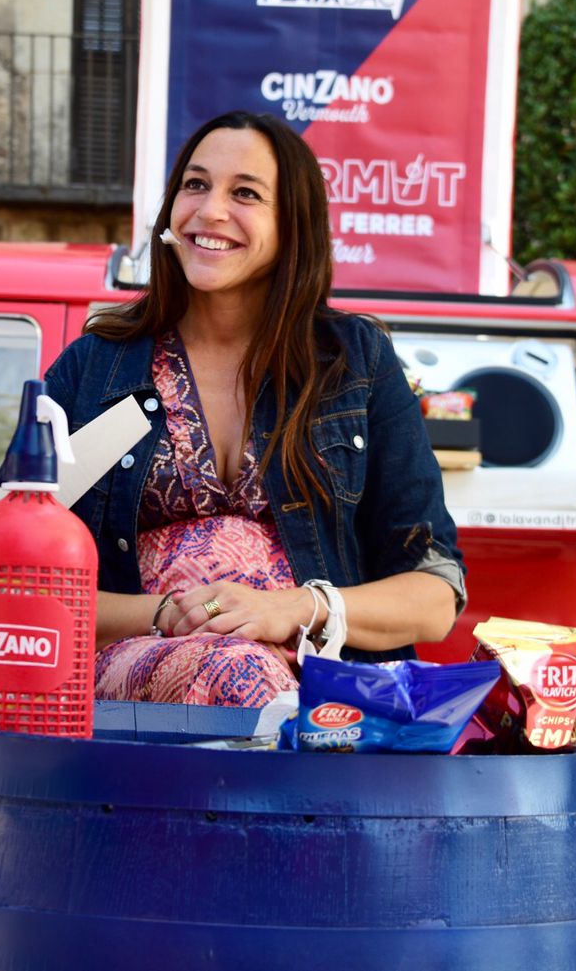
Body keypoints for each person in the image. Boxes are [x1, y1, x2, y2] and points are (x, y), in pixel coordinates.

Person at [42, 110, 465, 707]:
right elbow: (22, 586)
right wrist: (174, 615)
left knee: (280, 689)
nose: (210, 210)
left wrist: (293, 608)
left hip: (329, 681)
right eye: (195, 184)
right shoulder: (93, 368)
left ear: (293, 226)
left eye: (245, 193)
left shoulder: (356, 363)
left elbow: (434, 594)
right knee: (238, 673)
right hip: (130, 684)